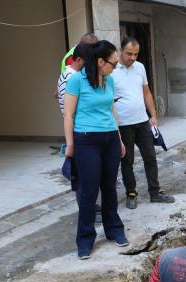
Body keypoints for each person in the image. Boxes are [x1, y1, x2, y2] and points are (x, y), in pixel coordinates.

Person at [63, 40, 129, 260]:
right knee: (89, 191)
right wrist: (70, 146)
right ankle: (85, 239)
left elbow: (111, 111)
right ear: (100, 61)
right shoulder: (76, 81)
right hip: (86, 140)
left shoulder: (109, 81)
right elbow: (68, 115)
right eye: (113, 63)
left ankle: (114, 230)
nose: (115, 67)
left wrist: (118, 138)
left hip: (110, 138)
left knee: (109, 187)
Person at [111, 37, 175, 209]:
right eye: (129, 54)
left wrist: (153, 115)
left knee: (150, 157)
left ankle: (155, 192)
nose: (133, 57)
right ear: (120, 51)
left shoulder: (140, 67)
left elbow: (146, 92)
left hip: (142, 121)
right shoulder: (111, 70)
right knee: (127, 160)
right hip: (123, 124)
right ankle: (131, 193)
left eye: (136, 54)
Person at [57, 43, 87, 114]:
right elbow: (69, 107)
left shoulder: (71, 75)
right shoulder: (69, 77)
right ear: (79, 60)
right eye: (87, 61)